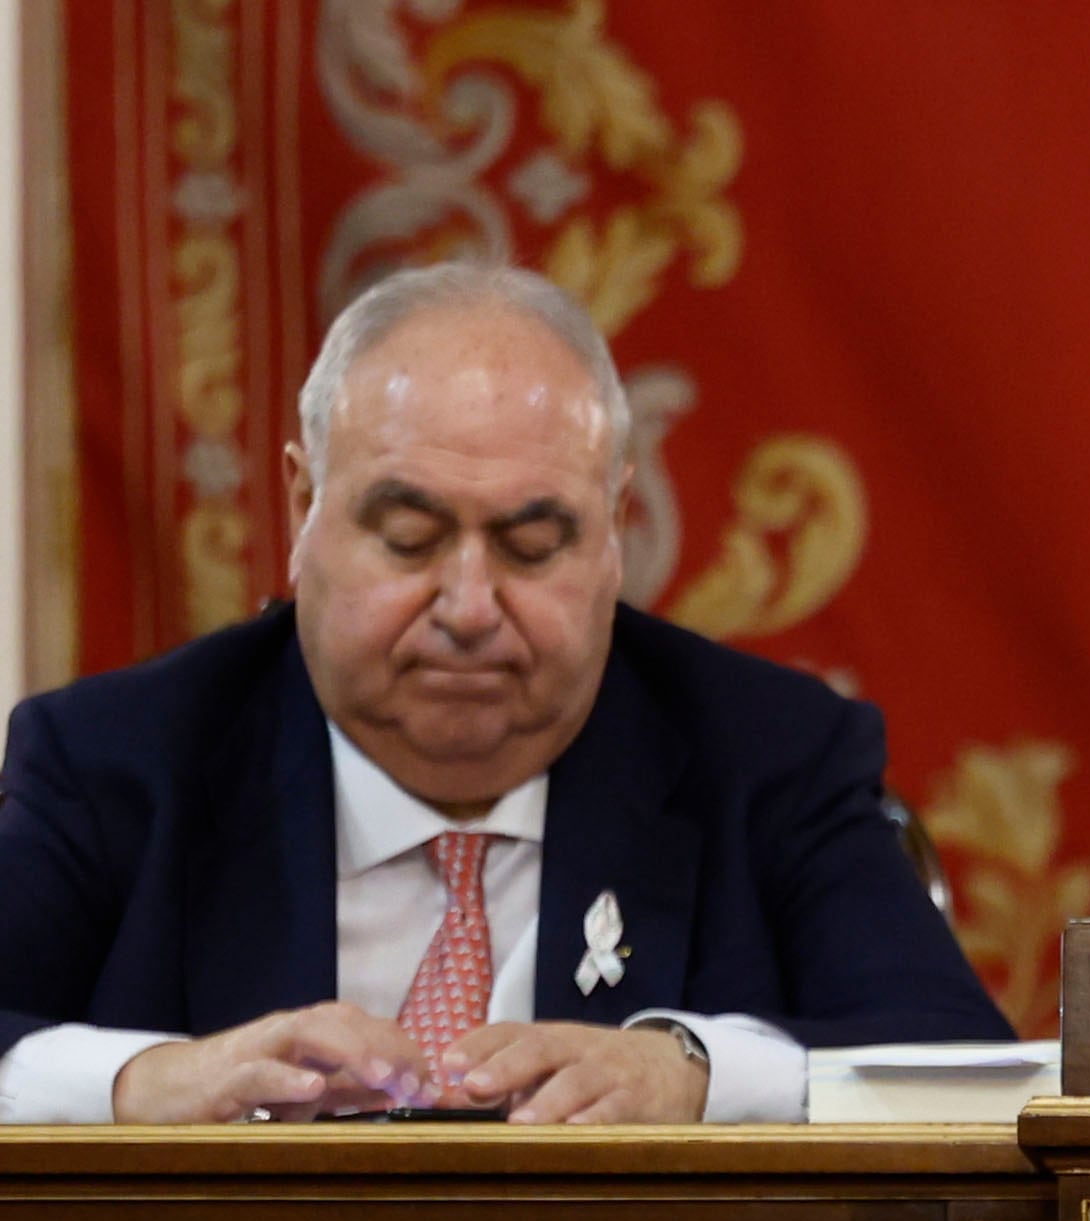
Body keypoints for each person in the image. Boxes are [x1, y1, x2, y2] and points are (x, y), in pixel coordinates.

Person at [0, 261, 1007, 1125]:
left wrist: (698, 1075)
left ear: (614, 531)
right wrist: (139, 1080)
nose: (470, 606)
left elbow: (964, 1074)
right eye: (410, 539)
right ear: (304, 509)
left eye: (533, 547)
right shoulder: (118, 762)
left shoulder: (769, 757)